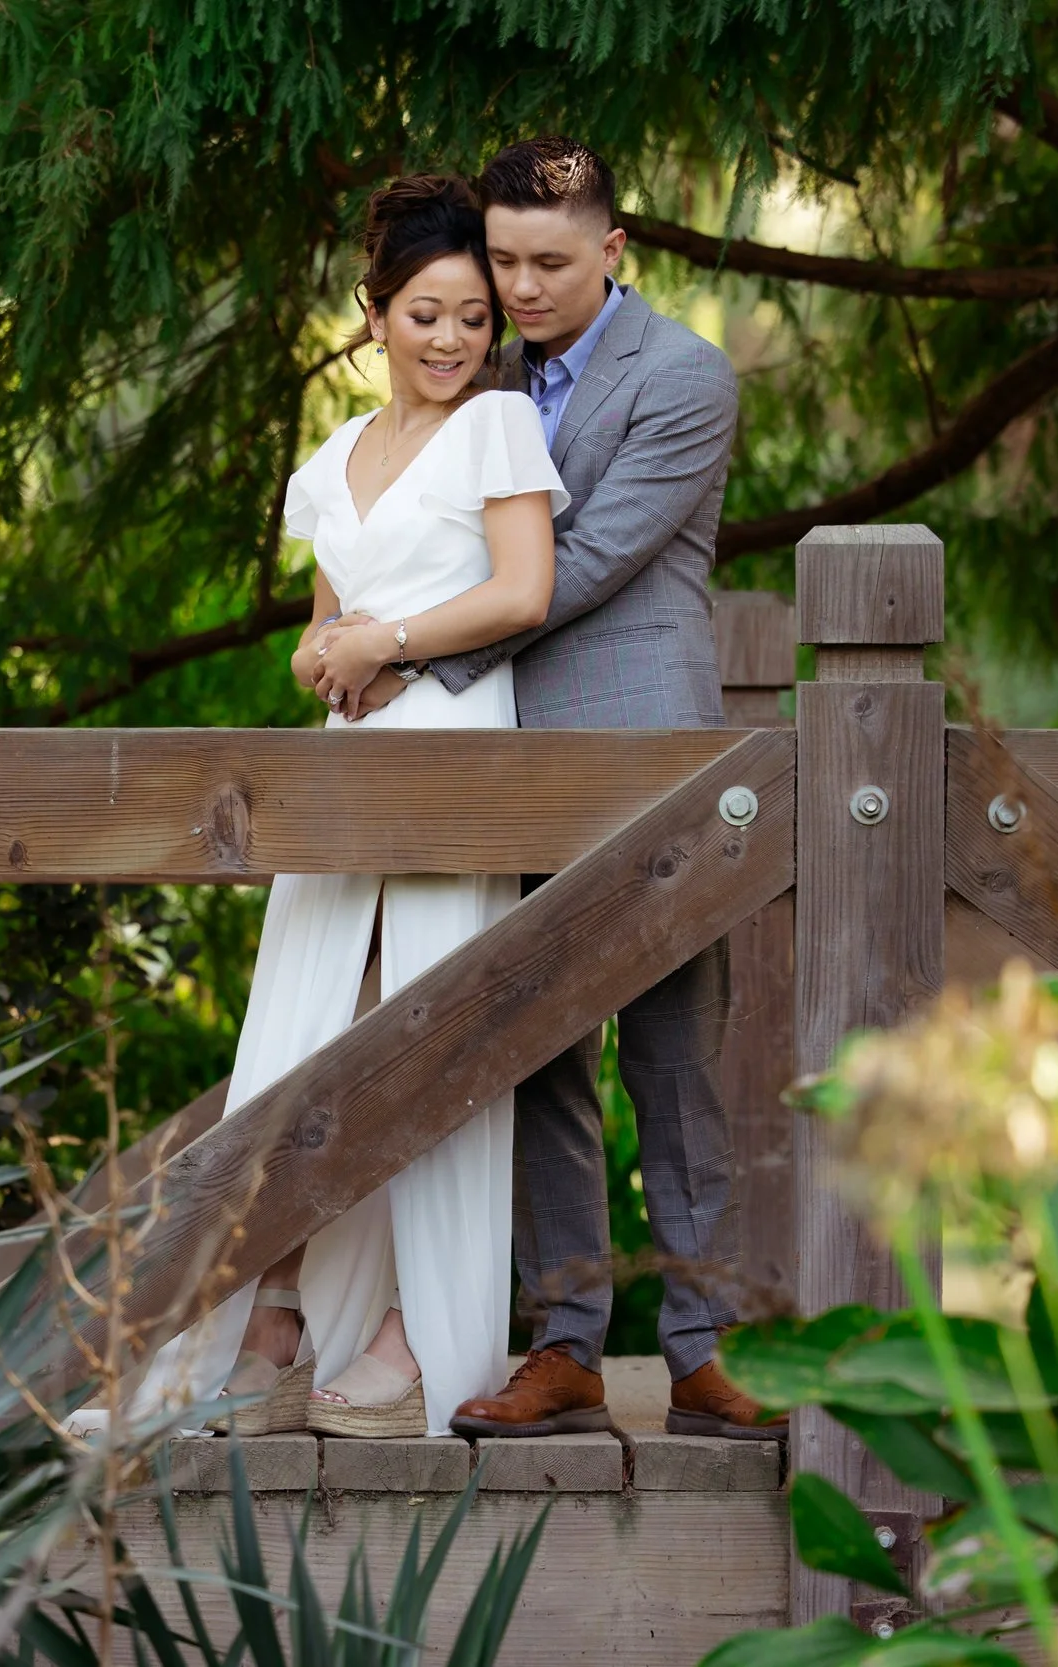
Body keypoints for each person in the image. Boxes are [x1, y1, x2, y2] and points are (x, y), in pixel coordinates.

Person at [109, 174, 567, 1440]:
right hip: (345, 754)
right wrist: (326, 658)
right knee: (302, 1034)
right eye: (425, 313)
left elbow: (523, 593)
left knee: (426, 1025)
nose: (452, 340)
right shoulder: (333, 462)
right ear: (373, 314)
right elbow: (318, 634)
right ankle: (262, 1325)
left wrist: (390, 644)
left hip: (455, 747)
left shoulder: (499, 431)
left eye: (474, 318)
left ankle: (422, 1336)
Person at [349, 137, 783, 1442]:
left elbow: (585, 561)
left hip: (644, 745)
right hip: (494, 755)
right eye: (505, 262)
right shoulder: (475, 370)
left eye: (549, 262)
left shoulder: (686, 378)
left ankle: (707, 1344)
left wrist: (401, 645)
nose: (522, 289)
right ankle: (566, 1343)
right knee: (537, 1056)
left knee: (673, 1055)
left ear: (616, 248)